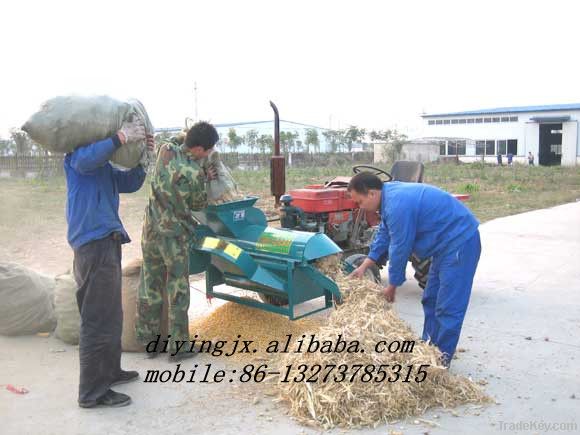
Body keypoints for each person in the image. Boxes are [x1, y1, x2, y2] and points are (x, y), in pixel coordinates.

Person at [348, 173, 481, 367]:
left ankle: (440, 363)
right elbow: (384, 233)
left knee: (448, 307)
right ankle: (428, 348)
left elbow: (400, 248)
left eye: (359, 202)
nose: (360, 207)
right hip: (442, 247)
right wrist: (364, 266)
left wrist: (392, 285)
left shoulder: (396, 204)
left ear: (371, 194)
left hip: (459, 242)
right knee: (431, 298)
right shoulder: (388, 198)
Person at [65, 118, 154, 408]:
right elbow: (89, 158)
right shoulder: (78, 159)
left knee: (112, 314)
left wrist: (144, 158)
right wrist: (119, 137)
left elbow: (129, 182)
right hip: (93, 245)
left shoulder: (103, 167)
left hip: (107, 242)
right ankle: (92, 392)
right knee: (96, 319)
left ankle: (111, 371)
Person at [136, 121, 218, 361]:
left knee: (149, 284)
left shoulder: (165, 149)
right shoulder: (194, 173)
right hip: (173, 237)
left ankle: (148, 341)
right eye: (209, 149)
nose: (210, 154)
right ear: (200, 149)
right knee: (177, 290)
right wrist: (204, 176)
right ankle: (179, 347)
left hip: (150, 231)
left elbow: (177, 141)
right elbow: (199, 205)